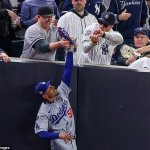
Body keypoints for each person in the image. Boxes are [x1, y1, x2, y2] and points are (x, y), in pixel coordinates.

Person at [34, 46, 77, 150]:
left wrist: (70, 52)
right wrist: (58, 135)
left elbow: (68, 71)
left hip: (70, 138)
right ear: (44, 95)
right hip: (61, 143)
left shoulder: (61, 92)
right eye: (49, 88)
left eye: (50, 85)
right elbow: (41, 133)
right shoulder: (43, 111)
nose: (52, 87)